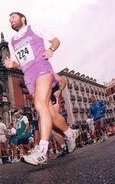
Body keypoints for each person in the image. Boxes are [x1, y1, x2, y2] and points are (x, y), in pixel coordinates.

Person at [5, 12, 78, 165]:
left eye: (14, 17)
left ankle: (42, 151)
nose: (11, 19)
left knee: (39, 105)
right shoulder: (11, 42)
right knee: (50, 113)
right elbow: (17, 62)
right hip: (29, 77)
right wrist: (13, 64)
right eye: (10, 18)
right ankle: (71, 134)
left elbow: (56, 41)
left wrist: (51, 49)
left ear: (22, 18)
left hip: (42, 68)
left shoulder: (35, 28)